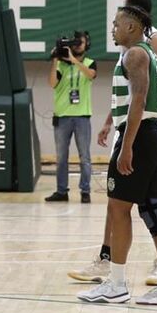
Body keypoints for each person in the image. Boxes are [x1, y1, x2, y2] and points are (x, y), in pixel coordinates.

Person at [77, 5, 157, 306]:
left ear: (132, 27)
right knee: (152, 208)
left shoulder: (136, 54)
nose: (112, 29)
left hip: (140, 135)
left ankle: (116, 284)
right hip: (152, 135)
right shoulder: (146, 53)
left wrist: (126, 146)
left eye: (116, 24)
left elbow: (139, 100)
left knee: (117, 207)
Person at [45, 31, 96, 203]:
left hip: (82, 116)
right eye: (74, 43)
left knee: (85, 157)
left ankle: (85, 190)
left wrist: (74, 61)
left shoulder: (90, 63)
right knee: (61, 157)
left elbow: (91, 75)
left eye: (80, 42)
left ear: (86, 45)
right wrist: (55, 60)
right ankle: (61, 191)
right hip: (63, 116)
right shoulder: (61, 65)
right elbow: (52, 84)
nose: (76, 46)